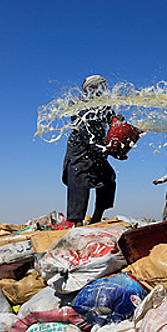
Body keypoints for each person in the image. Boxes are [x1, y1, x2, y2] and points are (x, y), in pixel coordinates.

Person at [62, 75, 121, 226]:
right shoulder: (80, 106)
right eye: (96, 88)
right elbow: (86, 135)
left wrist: (119, 124)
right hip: (80, 152)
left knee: (108, 178)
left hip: (97, 152)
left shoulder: (105, 107)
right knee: (79, 182)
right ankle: (78, 223)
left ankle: (97, 217)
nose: (100, 91)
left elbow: (113, 123)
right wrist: (106, 150)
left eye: (102, 88)